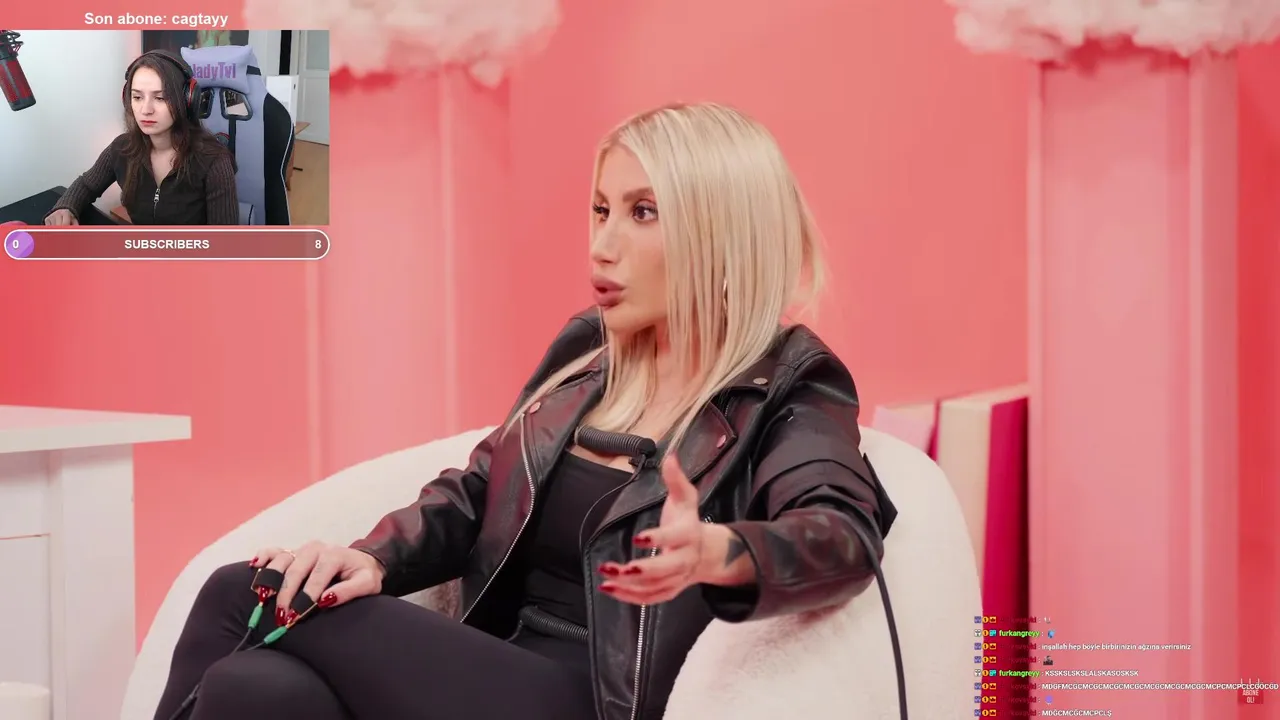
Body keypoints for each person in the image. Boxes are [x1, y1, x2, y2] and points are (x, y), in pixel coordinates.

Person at [152, 102, 899, 720]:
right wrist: (375, 557)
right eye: (601, 209)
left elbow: (842, 535)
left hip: (595, 699)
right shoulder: (589, 350)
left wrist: (724, 551)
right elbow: (479, 489)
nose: (602, 244)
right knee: (251, 689)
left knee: (240, 593)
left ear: (723, 232)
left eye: (643, 212)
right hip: (495, 665)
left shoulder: (790, 382)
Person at [44, 50, 238, 226]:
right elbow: (86, 185)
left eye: (160, 98)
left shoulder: (215, 161)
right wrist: (66, 206)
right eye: (137, 97)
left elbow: (225, 243)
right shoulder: (122, 148)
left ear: (187, 100)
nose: (146, 110)